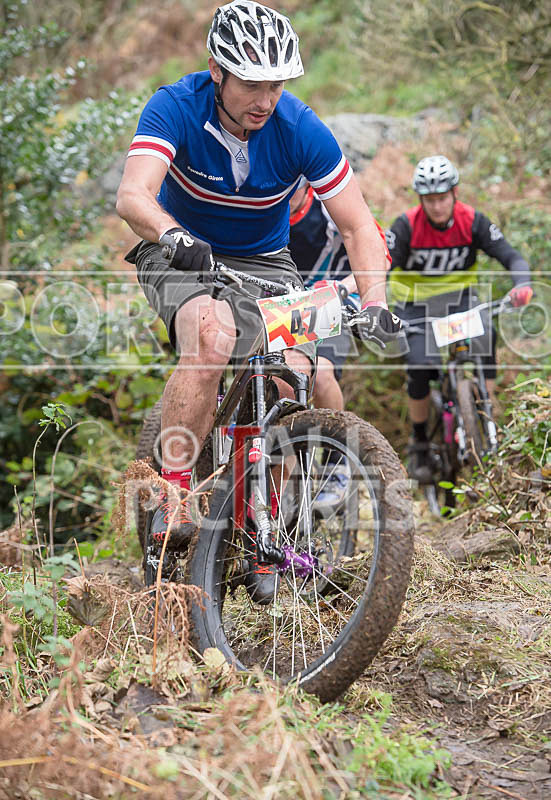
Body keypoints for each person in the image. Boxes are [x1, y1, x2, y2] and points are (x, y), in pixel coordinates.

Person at [116, 0, 400, 599]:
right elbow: (134, 195)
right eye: (252, 82)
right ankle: (174, 499)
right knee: (213, 335)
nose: (264, 98)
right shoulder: (175, 106)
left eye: (276, 83)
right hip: (179, 246)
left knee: (296, 375)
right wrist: (172, 234)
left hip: (268, 263)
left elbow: (358, 226)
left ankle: (269, 518)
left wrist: (374, 302)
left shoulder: (298, 127)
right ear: (217, 71)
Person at [385, 155, 533, 482]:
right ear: (420, 199)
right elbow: (381, 266)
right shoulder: (406, 226)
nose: (437, 206)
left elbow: (511, 256)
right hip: (417, 307)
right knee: (420, 366)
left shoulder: (473, 221)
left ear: (455, 193)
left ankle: (485, 411)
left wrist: (521, 285)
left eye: (442, 198)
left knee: (486, 337)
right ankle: (420, 442)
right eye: (429, 200)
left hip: (462, 304)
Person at [288, 178, 390, 506]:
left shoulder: (329, 207)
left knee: (321, 373)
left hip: (333, 300)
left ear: (306, 188)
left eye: (292, 189)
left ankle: (335, 462)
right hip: (283, 304)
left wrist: (344, 287)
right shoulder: (263, 205)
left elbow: (380, 253)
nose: (285, 196)